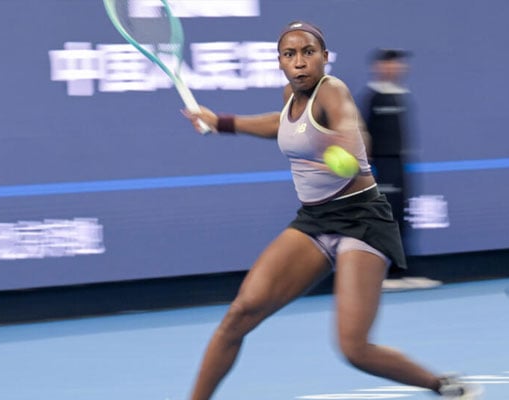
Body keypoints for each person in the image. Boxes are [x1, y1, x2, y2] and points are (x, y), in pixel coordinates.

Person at [182, 21, 480, 399]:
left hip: (361, 219)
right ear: (280, 62)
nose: (300, 62)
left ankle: (442, 385)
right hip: (315, 220)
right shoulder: (290, 95)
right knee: (240, 314)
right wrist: (222, 122)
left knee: (354, 348)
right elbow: (283, 125)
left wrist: (345, 148)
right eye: (290, 55)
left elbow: (352, 132)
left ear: (325, 57)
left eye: (308, 52)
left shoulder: (332, 91)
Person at [360, 48, 442, 291]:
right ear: (379, 67)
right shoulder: (373, 97)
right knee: (388, 218)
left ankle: (403, 271)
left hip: (400, 166)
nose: (396, 67)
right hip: (382, 166)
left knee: (403, 218)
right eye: (390, 63)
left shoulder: (401, 95)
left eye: (399, 64)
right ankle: (384, 274)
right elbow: (363, 134)